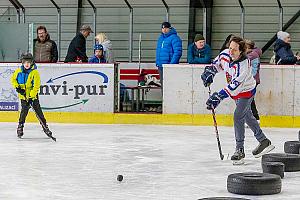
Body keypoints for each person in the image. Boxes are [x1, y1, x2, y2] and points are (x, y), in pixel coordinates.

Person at [201, 36, 274, 165]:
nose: (231, 51)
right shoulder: (225, 54)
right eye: (230, 48)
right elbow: (218, 64)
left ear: (241, 51)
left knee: (238, 116)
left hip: (246, 91)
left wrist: (218, 97)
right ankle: (264, 141)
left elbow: (235, 87)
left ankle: (239, 150)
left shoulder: (244, 65)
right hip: (236, 92)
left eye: (234, 50)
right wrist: (210, 71)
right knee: (247, 116)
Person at [10, 53, 52, 138]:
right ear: (22, 62)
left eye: (28, 62)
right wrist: (17, 88)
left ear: (32, 62)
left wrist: (31, 97)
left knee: (38, 112)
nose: (26, 64)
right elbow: (13, 80)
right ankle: (20, 127)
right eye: (25, 62)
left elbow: (36, 86)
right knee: (23, 112)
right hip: (23, 97)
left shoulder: (34, 73)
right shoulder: (18, 71)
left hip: (33, 97)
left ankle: (45, 127)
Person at [156, 22, 182, 88]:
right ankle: (163, 98)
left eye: (166, 28)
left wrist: (172, 64)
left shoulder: (175, 38)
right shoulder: (161, 38)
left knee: (170, 85)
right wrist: (158, 62)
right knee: (163, 84)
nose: (164, 30)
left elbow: (178, 52)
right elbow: (159, 51)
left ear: (170, 28)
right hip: (161, 66)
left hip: (169, 66)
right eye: (163, 28)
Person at [245, 39, 262, 126]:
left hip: (252, 80)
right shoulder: (251, 54)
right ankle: (253, 118)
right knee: (249, 99)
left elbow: (254, 70)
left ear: (248, 47)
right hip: (251, 80)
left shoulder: (252, 55)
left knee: (248, 100)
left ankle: (254, 118)